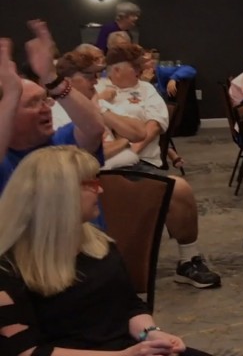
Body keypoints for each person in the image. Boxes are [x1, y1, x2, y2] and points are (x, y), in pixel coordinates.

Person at [0, 147, 211, 356]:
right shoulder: (8, 269)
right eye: (92, 184)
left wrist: (151, 335)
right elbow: (25, 351)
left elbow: (130, 306)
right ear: (59, 195)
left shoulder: (98, 243)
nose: (100, 190)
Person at [98, 44, 221, 289]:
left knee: (180, 190)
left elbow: (152, 127)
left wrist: (130, 152)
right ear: (117, 69)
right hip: (102, 166)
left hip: (141, 163)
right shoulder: (97, 90)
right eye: (135, 67)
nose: (141, 71)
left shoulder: (146, 90)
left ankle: (188, 260)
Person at [1, 20, 104, 193]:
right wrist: (11, 94)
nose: (45, 108)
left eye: (44, 100)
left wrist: (51, 77)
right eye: (32, 103)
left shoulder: (60, 142)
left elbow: (94, 129)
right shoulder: (5, 161)